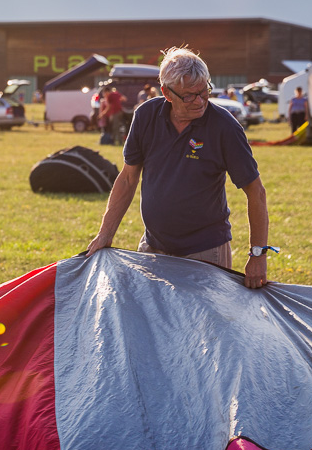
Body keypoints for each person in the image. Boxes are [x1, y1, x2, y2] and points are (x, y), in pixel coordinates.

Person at [87, 46, 272, 289]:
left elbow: (256, 192)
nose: (199, 101)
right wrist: (105, 234)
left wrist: (258, 255)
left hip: (205, 253)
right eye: (189, 95)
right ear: (166, 93)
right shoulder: (146, 116)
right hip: (153, 247)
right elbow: (128, 179)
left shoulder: (224, 127)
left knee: (203, 325)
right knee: (151, 323)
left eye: (204, 91)